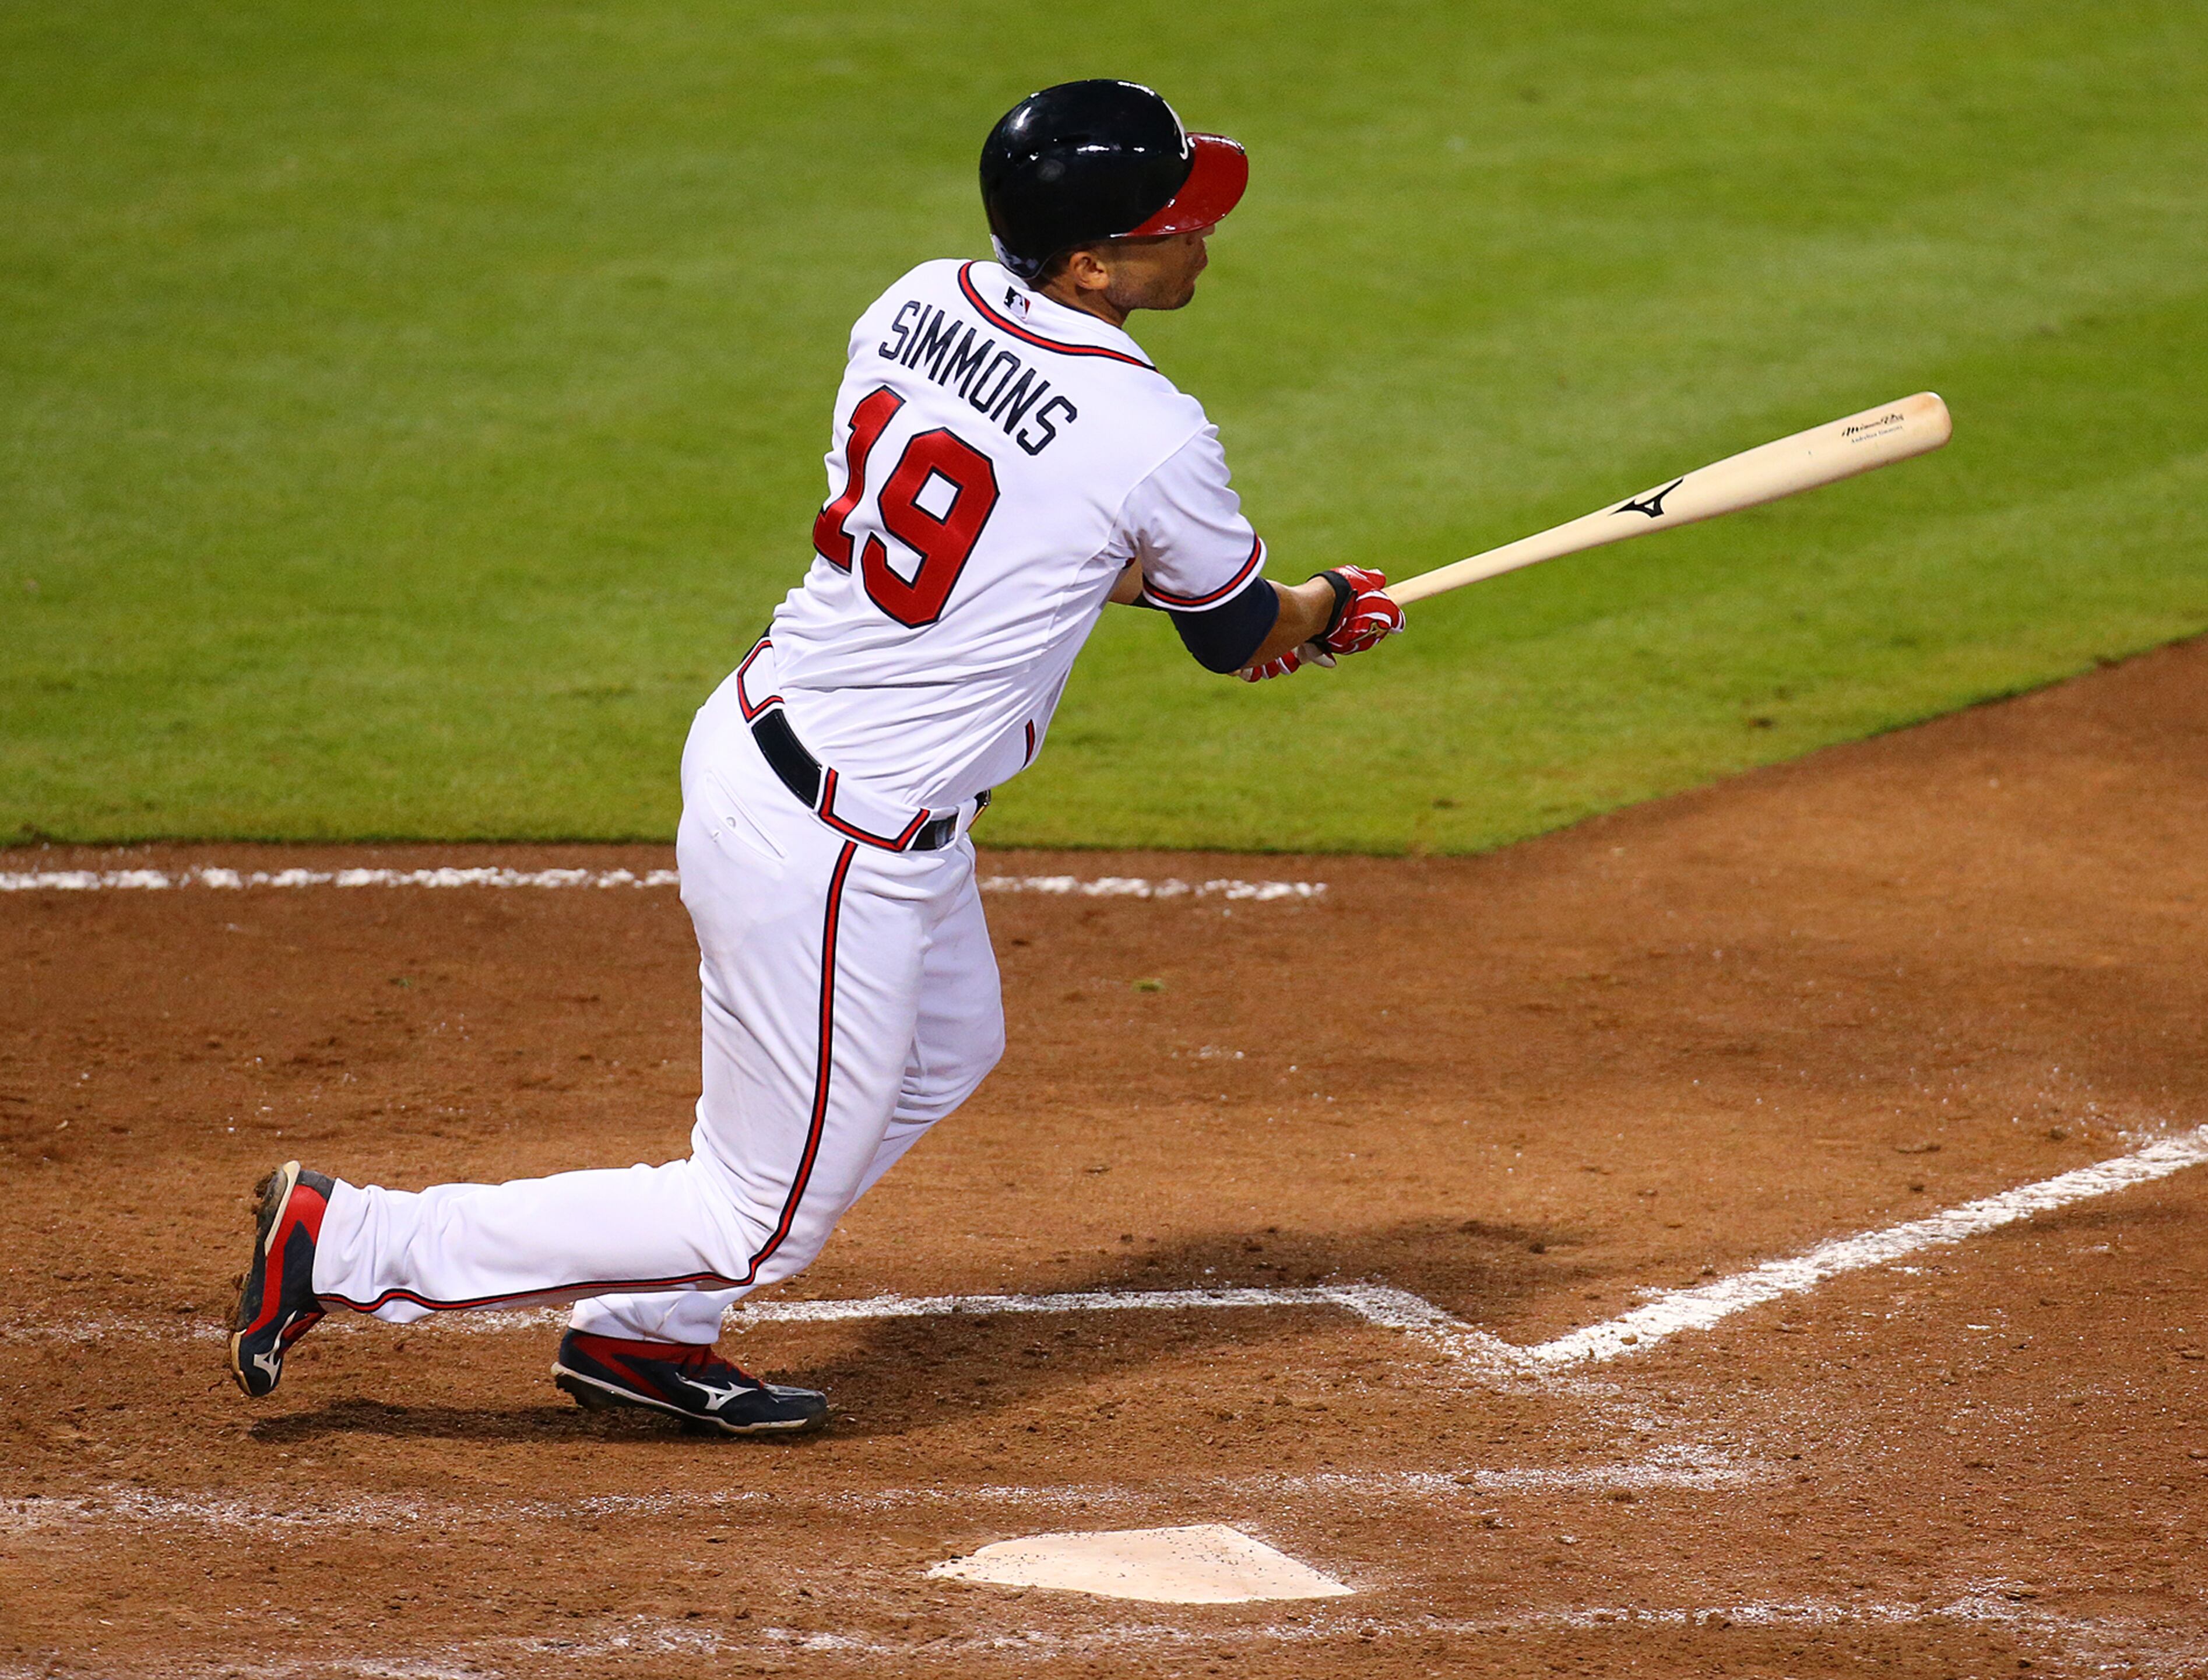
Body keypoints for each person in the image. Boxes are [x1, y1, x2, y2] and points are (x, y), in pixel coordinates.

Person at [227, 79, 1404, 1435]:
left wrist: (1275, 614)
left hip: (764, 737)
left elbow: (1039, 546)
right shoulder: (1149, 430)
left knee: (948, 1048)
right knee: (751, 1220)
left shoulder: (919, 299)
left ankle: (638, 1339)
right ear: (1093, 265)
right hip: (836, 845)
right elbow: (1229, 631)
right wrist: (1319, 612)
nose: (1202, 240)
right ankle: (348, 1240)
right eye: (1176, 224)